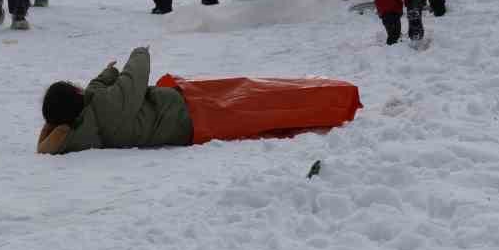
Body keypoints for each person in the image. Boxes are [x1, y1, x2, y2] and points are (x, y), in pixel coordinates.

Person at [36, 45, 362, 154]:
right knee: (261, 99)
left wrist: (107, 73)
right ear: (77, 94)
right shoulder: (106, 107)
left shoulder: (82, 133)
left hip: (188, 118)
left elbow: (99, 91)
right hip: (189, 110)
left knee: (259, 104)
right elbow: (135, 78)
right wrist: (139, 52)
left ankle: (330, 100)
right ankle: (336, 100)